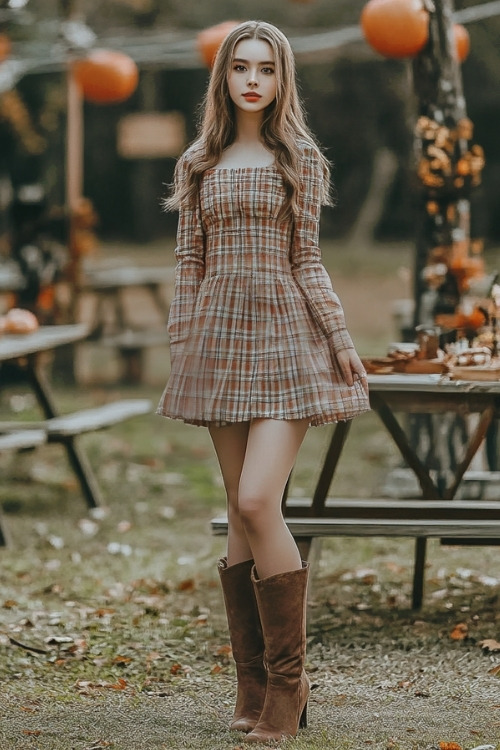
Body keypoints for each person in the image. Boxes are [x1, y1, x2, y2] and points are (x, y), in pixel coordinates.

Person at [157, 20, 370, 743]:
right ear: (225, 77)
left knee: (257, 499)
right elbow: (190, 262)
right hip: (217, 342)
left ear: (282, 81)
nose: (253, 79)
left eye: (267, 68)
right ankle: (251, 690)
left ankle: (290, 681)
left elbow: (307, 259)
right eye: (241, 67)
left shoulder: (299, 159)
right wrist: (182, 342)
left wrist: (340, 339)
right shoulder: (199, 161)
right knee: (238, 515)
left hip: (287, 338)